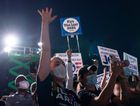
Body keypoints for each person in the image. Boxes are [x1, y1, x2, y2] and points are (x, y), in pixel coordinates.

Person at [36, 8, 80, 106]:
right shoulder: (46, 86)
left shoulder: (72, 94)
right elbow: (46, 50)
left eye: (63, 64)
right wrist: (45, 23)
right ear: (49, 69)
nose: (62, 66)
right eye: (56, 64)